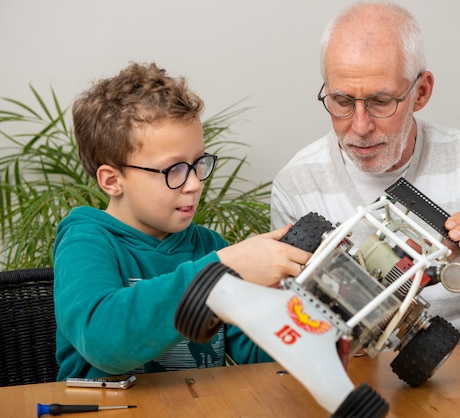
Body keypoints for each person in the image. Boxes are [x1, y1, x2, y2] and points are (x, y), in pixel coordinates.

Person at [271, 1, 460, 344]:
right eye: (342, 101)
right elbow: (292, 324)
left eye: (381, 101)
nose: (360, 126)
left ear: (420, 92)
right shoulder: (298, 184)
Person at [54, 62, 311, 380]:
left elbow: (258, 355)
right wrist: (221, 270)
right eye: (172, 169)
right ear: (112, 180)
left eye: (198, 163)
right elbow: (104, 342)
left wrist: (293, 305)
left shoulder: (208, 246)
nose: (194, 183)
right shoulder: (86, 242)